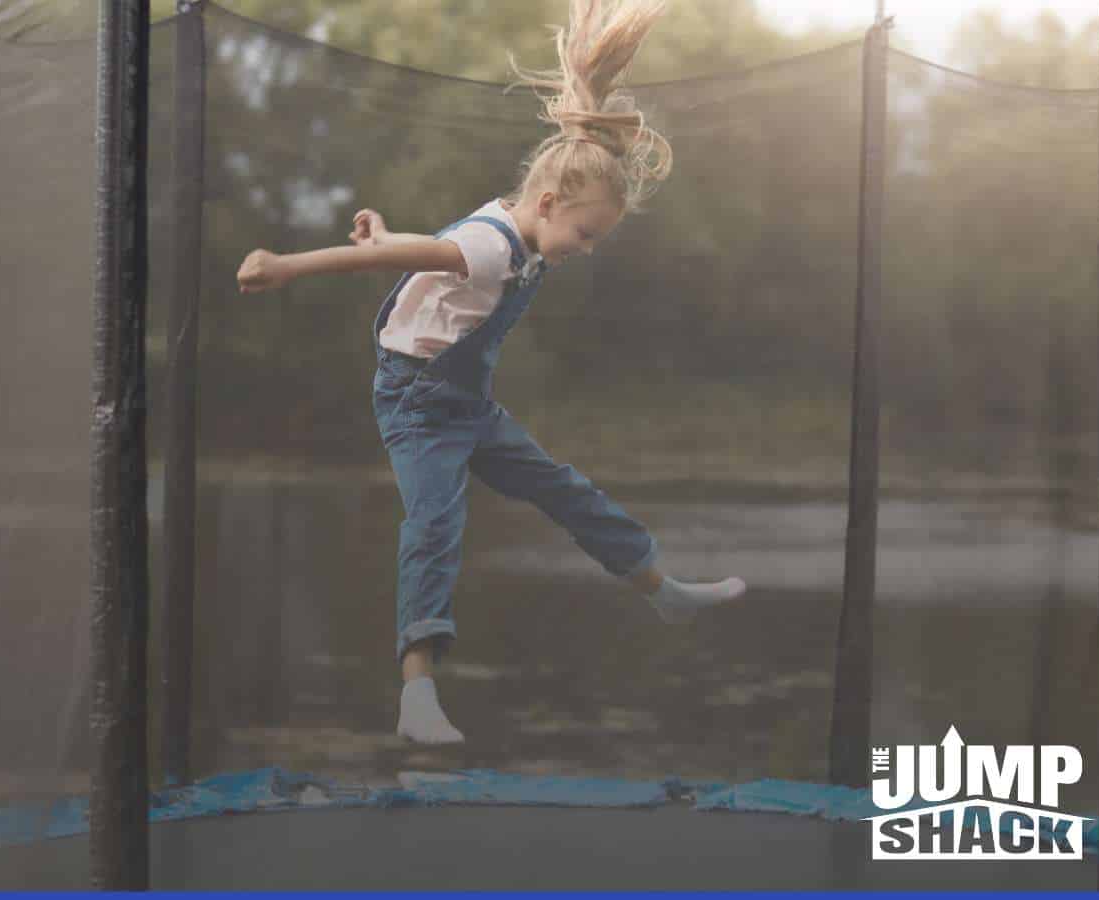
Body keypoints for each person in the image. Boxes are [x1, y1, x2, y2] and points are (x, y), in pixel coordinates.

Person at [236, 0, 746, 746]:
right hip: (416, 405)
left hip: (464, 401)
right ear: (547, 204)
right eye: (585, 232)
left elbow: (426, 244)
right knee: (435, 526)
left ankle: (659, 589)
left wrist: (388, 230)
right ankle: (416, 697)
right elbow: (404, 259)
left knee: (562, 488)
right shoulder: (495, 248)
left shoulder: (514, 224)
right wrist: (287, 265)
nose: (589, 246)